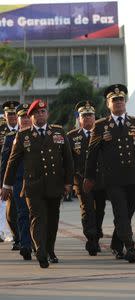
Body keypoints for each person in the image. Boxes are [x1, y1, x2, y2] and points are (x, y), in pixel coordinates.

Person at [83, 84, 135, 263]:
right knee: (121, 212)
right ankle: (130, 247)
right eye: (114, 100)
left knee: (128, 212)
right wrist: (89, 177)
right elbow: (91, 155)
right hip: (112, 179)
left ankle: (116, 243)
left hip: (133, 177)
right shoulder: (100, 126)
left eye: (121, 99)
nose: (119, 102)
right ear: (108, 104)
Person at [1, 99, 74, 268]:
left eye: (42, 112)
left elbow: (68, 161)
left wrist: (69, 183)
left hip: (54, 185)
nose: (40, 115)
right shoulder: (23, 135)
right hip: (33, 187)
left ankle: (50, 249)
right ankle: (41, 251)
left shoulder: (58, 132)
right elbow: (12, 162)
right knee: (37, 218)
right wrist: (6, 185)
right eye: (36, 113)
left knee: (52, 220)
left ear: (47, 114)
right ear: (31, 116)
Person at [67, 101, 106, 256]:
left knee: (100, 210)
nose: (88, 119)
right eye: (85, 116)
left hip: (101, 179)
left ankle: (97, 232)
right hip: (81, 181)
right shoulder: (72, 137)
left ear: (95, 117)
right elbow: (68, 162)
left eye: (90, 115)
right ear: (79, 118)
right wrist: (69, 182)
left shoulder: (102, 134)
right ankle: (91, 238)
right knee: (87, 209)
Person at [0, 103, 33, 260]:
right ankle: (25, 244)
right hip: (18, 182)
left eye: (27, 117)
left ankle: (38, 243)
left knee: (38, 214)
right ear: (18, 120)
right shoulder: (10, 138)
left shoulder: (42, 135)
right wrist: (4, 185)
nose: (25, 120)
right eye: (22, 117)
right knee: (22, 214)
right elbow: (5, 163)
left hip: (38, 182)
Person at [0, 100, 20, 251]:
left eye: (14, 113)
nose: (12, 116)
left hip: (20, 175)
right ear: (5, 115)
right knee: (4, 209)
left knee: (19, 209)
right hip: (2, 173)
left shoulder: (25, 127)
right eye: (9, 114)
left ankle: (19, 237)